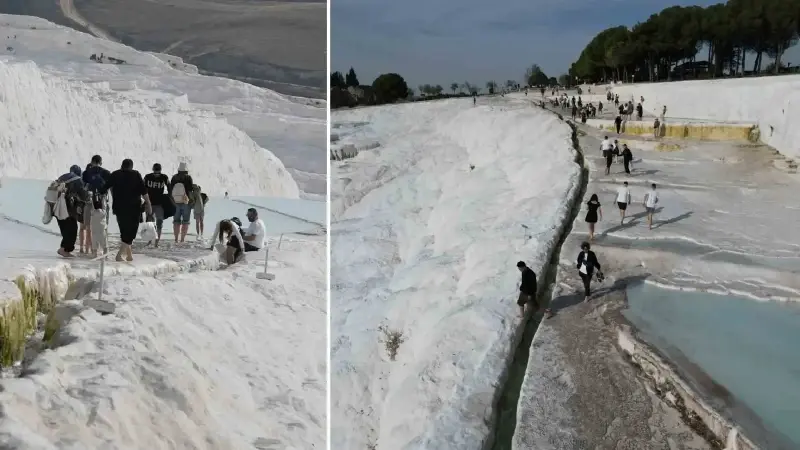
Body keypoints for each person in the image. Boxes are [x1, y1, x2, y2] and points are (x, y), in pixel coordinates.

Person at [102, 159, 151, 261]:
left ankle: (129, 255)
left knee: (124, 231)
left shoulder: (115, 174)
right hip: (134, 208)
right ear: (131, 166)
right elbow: (144, 190)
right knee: (131, 232)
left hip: (119, 208)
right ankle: (119, 255)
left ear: (122, 165)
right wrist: (149, 204)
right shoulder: (136, 174)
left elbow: (104, 188)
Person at [55, 165, 89, 258]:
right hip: (67, 209)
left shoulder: (62, 177)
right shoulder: (77, 179)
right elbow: (84, 195)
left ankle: (63, 248)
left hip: (56, 207)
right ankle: (65, 249)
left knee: (64, 228)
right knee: (72, 229)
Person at [81, 155, 111, 254]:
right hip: (102, 202)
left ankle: (92, 251)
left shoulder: (86, 173)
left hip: (90, 201)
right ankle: (105, 251)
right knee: (103, 226)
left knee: (90, 227)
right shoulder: (106, 173)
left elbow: (83, 188)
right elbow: (111, 188)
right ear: (101, 162)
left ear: (92, 162)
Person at [143, 163, 170, 247]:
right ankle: (152, 241)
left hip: (155, 204)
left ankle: (155, 242)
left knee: (155, 223)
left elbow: (170, 187)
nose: (156, 173)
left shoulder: (163, 177)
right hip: (152, 203)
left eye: (157, 172)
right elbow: (142, 187)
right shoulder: (148, 177)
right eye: (156, 171)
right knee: (153, 223)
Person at [169, 162, 194, 243]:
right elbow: (190, 191)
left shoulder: (174, 177)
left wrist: (172, 201)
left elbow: (171, 190)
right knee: (185, 221)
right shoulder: (188, 178)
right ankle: (182, 239)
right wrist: (191, 201)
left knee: (176, 221)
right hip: (185, 201)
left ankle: (176, 239)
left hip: (175, 202)